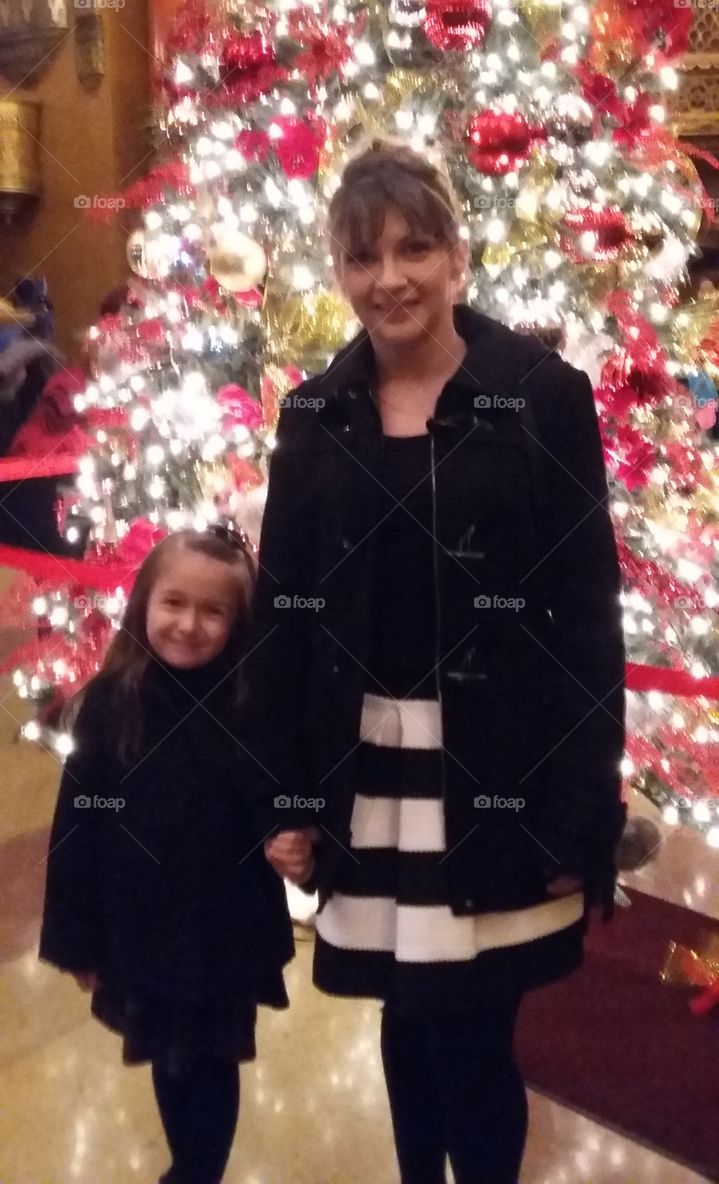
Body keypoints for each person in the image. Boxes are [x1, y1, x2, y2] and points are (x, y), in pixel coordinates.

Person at [245, 138, 627, 1184]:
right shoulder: (314, 414)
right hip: (362, 776)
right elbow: (283, 614)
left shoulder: (540, 395)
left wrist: (580, 804)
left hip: (498, 771)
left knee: (475, 1033)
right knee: (407, 1020)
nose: (389, 278)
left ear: (457, 258)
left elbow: (587, 612)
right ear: (337, 271)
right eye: (361, 257)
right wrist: (284, 794)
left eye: (414, 248)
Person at [39, 525, 295, 1184]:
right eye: (173, 603)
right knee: (165, 1056)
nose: (189, 624)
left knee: (212, 1059)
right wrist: (77, 940)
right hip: (140, 926)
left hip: (226, 927)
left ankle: (196, 1172)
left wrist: (293, 830)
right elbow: (78, 828)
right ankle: (188, 1165)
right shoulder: (111, 703)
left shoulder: (252, 702)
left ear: (239, 623)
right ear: (143, 605)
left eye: (214, 611)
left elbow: (281, 788)